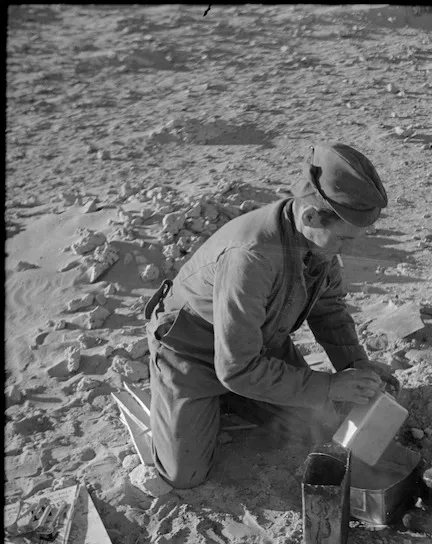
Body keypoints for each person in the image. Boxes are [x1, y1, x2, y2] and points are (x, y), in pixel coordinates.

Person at [143, 142, 398, 489]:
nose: (348, 250)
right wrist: (330, 385)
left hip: (256, 344)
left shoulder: (317, 239)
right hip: (191, 350)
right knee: (184, 475)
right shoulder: (251, 258)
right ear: (310, 217)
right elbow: (237, 368)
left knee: (322, 426)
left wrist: (355, 364)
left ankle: (236, 396)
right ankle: (195, 395)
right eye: (343, 240)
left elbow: (329, 310)